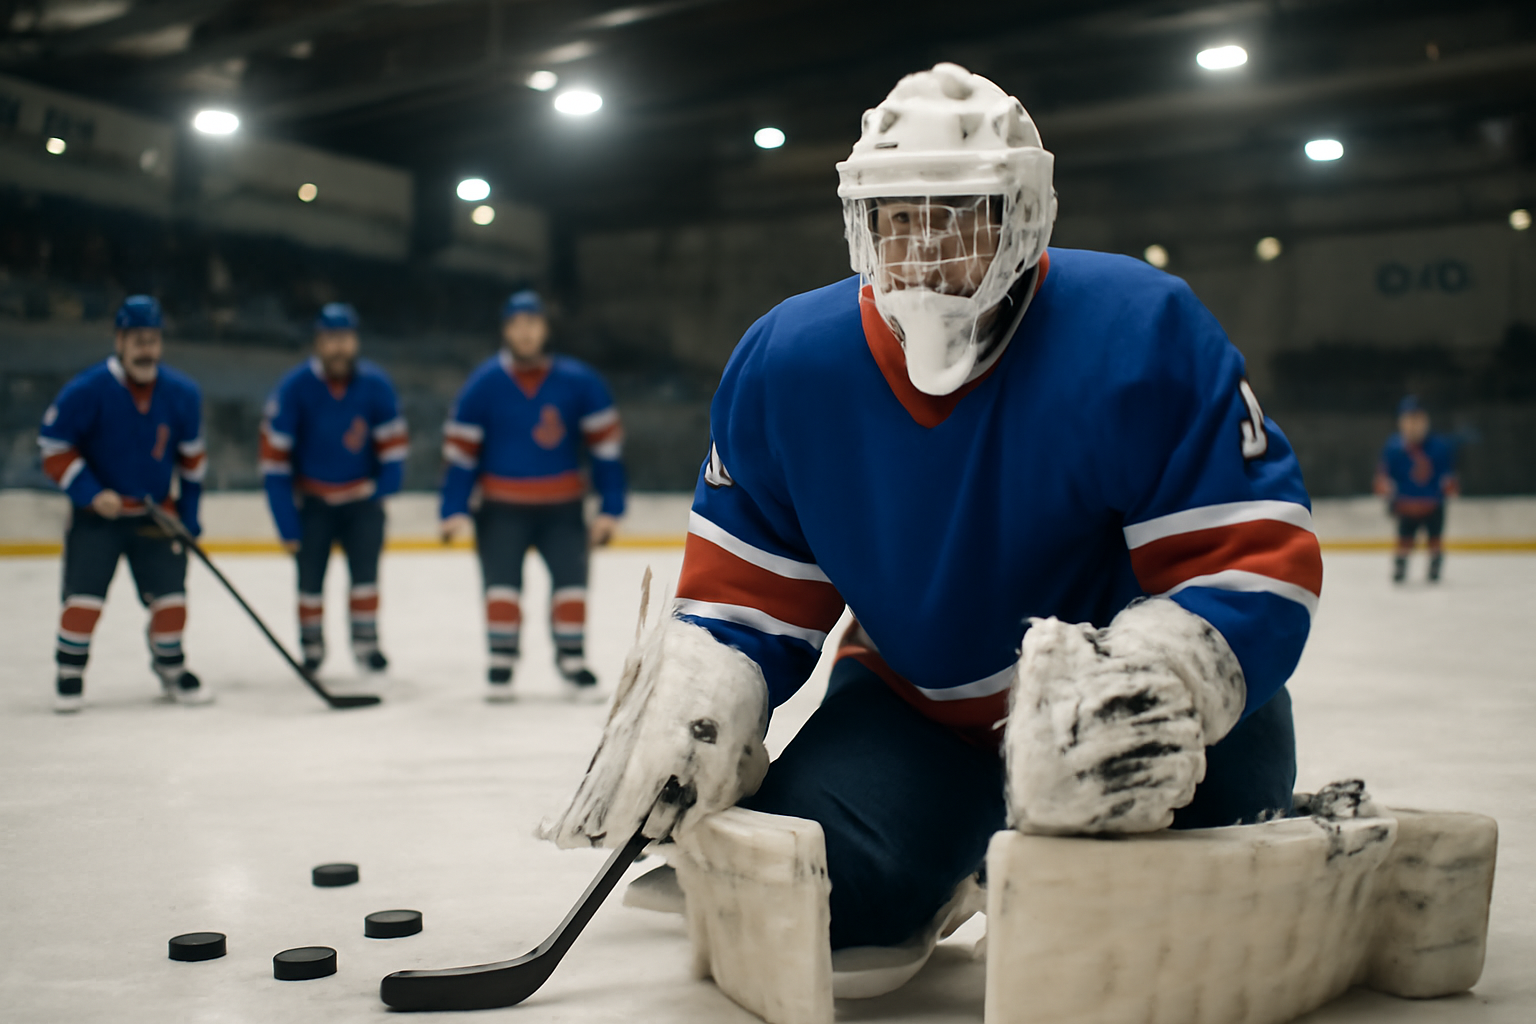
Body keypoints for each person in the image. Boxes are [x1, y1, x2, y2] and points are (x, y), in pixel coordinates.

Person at [545, 64, 1323, 966]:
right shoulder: (790, 363)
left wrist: (1154, 686)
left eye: (959, 218)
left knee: (1168, 930)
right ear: (862, 225)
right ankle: (944, 855)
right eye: (899, 220)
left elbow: (1248, 561)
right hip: (918, 706)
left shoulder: (1138, 331)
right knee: (822, 901)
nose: (924, 253)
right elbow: (750, 591)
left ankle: (1109, 794)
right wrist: (702, 685)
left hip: (1132, 701)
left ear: (1024, 217)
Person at [440, 289, 627, 700]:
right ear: (506, 330)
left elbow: (606, 451)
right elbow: (461, 455)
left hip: (562, 509)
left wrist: (611, 507)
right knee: (502, 588)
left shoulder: (580, 382)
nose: (525, 333)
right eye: (517, 325)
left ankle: (572, 660)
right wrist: (453, 507)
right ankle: (502, 662)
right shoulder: (484, 384)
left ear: (545, 329)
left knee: (571, 587)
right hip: (500, 509)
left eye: (533, 324)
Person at [38, 295, 209, 712]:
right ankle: (69, 672)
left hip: (155, 516)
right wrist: (91, 493)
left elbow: (192, 462)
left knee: (171, 600)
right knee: (84, 601)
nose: (145, 348)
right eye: (137, 339)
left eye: (152, 339)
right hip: (98, 517)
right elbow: (54, 448)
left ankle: (171, 666)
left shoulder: (183, 393)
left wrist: (188, 518)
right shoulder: (87, 390)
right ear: (119, 340)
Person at [260, 302, 408, 675]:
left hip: (361, 502)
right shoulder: (295, 388)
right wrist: (286, 522)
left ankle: (366, 644)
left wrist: (381, 492)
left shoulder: (375, 384)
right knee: (309, 580)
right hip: (313, 504)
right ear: (318, 342)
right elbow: (274, 462)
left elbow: (394, 447)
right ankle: (312, 648)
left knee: (366, 578)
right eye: (331, 339)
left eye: (345, 338)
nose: (339, 347)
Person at [1374, 395, 1457, 583]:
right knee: (1404, 540)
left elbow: (1448, 476)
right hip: (1406, 504)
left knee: (1434, 538)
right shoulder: (1394, 447)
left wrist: (1450, 486)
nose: (1413, 425)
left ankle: (1435, 566)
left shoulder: (1439, 446)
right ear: (1401, 422)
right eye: (1409, 419)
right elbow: (1384, 475)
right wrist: (1384, 488)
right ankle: (1400, 565)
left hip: (1433, 504)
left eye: (1417, 419)